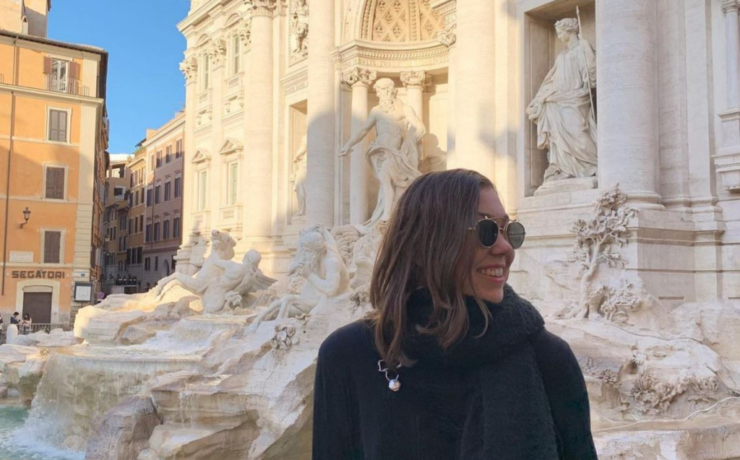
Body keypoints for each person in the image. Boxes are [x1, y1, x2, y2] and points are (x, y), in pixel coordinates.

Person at [313, 169, 598, 460]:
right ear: (427, 241)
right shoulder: (348, 355)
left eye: (509, 231)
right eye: (487, 230)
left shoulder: (548, 357)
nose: (505, 248)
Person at [339, 78, 426, 232]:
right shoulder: (376, 111)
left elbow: (419, 127)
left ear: (388, 90)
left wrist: (409, 145)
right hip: (381, 152)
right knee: (386, 181)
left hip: (397, 153)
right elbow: (363, 130)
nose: (378, 94)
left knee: (388, 178)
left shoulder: (404, 109)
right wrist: (348, 145)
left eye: (379, 90)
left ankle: (388, 214)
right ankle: (387, 213)